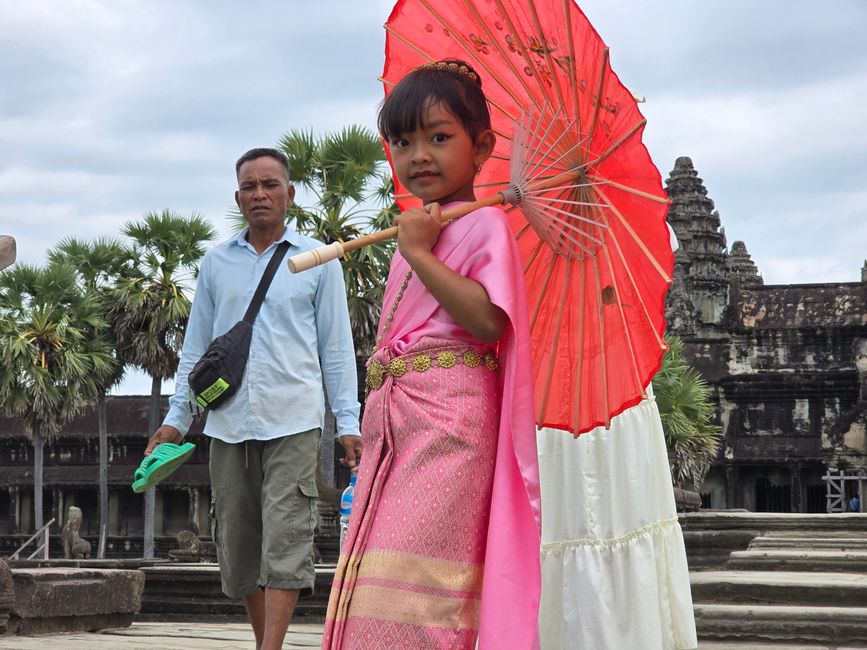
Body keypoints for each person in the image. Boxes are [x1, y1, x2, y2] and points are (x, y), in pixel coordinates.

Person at [322, 60, 541, 649]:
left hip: (451, 429)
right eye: (403, 141)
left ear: (483, 146)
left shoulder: (486, 225)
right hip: (396, 427)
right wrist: (415, 248)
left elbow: (488, 320)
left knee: (416, 589)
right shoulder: (414, 237)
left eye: (439, 137)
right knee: (370, 574)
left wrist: (421, 255)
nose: (419, 154)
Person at [145, 147, 362, 650]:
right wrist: (177, 419)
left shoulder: (319, 261)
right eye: (249, 186)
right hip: (228, 422)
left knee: (287, 539)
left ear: (290, 193)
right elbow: (196, 350)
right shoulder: (216, 263)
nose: (259, 194)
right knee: (239, 548)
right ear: (237, 197)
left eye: (270, 184)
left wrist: (349, 423)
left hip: (294, 419)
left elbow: (336, 350)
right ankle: (266, 641)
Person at [536, 225, 698, 650]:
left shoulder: (629, 223)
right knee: (565, 519)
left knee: (623, 515)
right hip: (560, 385)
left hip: (611, 382)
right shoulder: (531, 220)